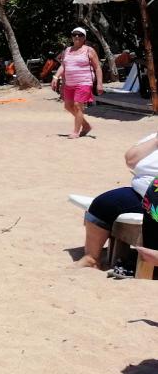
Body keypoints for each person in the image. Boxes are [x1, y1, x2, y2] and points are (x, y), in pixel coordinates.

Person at [77, 133, 158, 269]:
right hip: (139, 192)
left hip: (153, 198)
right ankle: (91, 258)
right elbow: (130, 160)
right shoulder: (154, 137)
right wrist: (155, 141)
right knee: (103, 203)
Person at [50, 27, 104, 139]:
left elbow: (97, 67)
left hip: (84, 82)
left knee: (77, 105)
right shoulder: (67, 51)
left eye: (80, 35)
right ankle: (86, 125)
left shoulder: (89, 50)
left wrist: (99, 83)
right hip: (69, 83)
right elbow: (64, 66)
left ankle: (76, 132)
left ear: (84, 37)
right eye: (74, 34)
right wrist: (56, 77)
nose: (77, 37)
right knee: (68, 106)